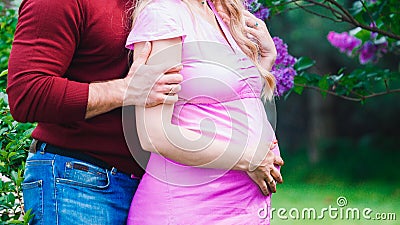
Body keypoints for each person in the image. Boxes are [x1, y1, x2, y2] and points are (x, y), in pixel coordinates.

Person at [7, 0, 283, 224]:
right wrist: (126, 90)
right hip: (78, 180)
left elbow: (206, 96)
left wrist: (262, 62)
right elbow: (27, 94)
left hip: (147, 180)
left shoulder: (192, 8)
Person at [126, 0, 282, 224]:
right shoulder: (163, 14)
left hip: (247, 205)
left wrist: (266, 58)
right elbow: (154, 134)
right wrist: (249, 158)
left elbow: (229, 100)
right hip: (191, 207)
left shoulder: (221, 13)